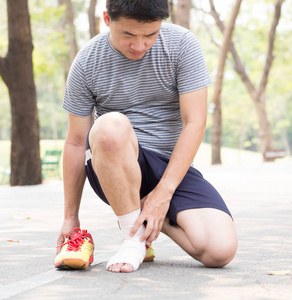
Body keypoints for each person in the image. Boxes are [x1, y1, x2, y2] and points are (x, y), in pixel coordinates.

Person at [55, 0, 238, 273]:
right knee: (109, 126)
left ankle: (142, 217)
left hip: (169, 165)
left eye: (150, 35)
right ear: (107, 19)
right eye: (128, 34)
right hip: (115, 161)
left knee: (219, 251)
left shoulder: (182, 45)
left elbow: (194, 123)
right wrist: (71, 217)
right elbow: (75, 142)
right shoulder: (87, 61)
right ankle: (132, 239)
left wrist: (161, 195)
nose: (139, 46)